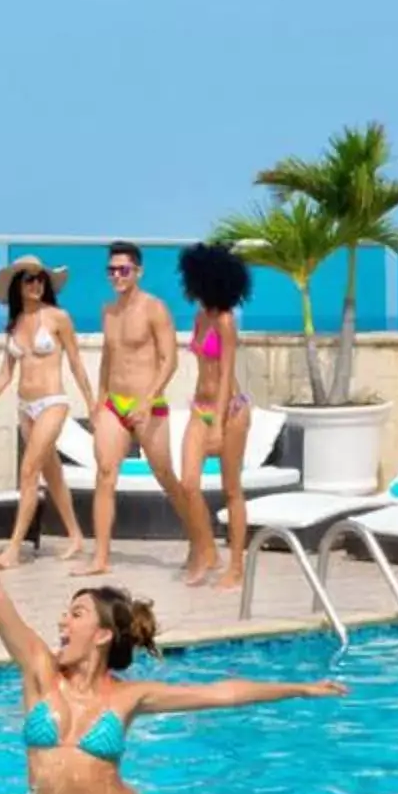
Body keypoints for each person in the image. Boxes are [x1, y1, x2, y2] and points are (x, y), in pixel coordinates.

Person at [0, 464, 342, 794]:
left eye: (77, 614)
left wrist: (300, 688)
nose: (62, 621)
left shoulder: (128, 696)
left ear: (103, 635)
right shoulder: (39, 670)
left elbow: (220, 694)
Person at [80, 240, 212, 580]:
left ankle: (201, 543)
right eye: (111, 270)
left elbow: (170, 360)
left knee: (165, 476)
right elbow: (108, 360)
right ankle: (101, 557)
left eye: (123, 270)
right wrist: (99, 401)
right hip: (114, 403)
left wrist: (148, 398)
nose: (116, 276)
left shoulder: (154, 308)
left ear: (137, 271)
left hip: (149, 403)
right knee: (105, 473)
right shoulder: (108, 312)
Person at [0, 256, 96, 569]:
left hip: (53, 402)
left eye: (41, 279)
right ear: (17, 286)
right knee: (53, 475)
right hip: (26, 407)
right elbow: (5, 373)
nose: (36, 284)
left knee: (28, 471)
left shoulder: (58, 318)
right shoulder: (14, 324)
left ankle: (12, 550)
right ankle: (76, 536)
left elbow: (76, 362)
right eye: (29, 279)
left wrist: (92, 404)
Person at [174, 243, 257, 588]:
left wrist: (219, 426)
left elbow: (225, 376)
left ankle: (236, 565)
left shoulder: (225, 322)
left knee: (231, 489)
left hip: (230, 410)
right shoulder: (199, 318)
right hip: (200, 406)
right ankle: (206, 550)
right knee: (188, 484)